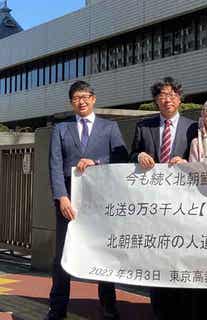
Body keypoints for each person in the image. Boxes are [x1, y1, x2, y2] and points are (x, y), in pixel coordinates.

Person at [46, 81, 128, 320]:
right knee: (63, 254)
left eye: (85, 97)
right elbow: (54, 164)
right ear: (71, 102)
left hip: (101, 200)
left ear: (93, 98)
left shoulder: (110, 127)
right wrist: (61, 196)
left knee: (104, 251)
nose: (81, 101)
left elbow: (120, 158)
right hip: (69, 200)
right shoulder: (61, 129)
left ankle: (108, 305)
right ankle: (57, 308)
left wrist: (97, 162)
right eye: (76, 98)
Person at [129, 77, 198, 320]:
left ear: (180, 98)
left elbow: (200, 161)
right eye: (162, 95)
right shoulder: (143, 126)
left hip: (183, 206)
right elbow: (131, 155)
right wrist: (139, 156)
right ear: (156, 100)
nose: (167, 99)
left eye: (172, 94)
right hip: (154, 205)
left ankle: (183, 307)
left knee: (182, 255)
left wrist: (187, 163)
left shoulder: (193, 127)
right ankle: (159, 308)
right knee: (157, 258)